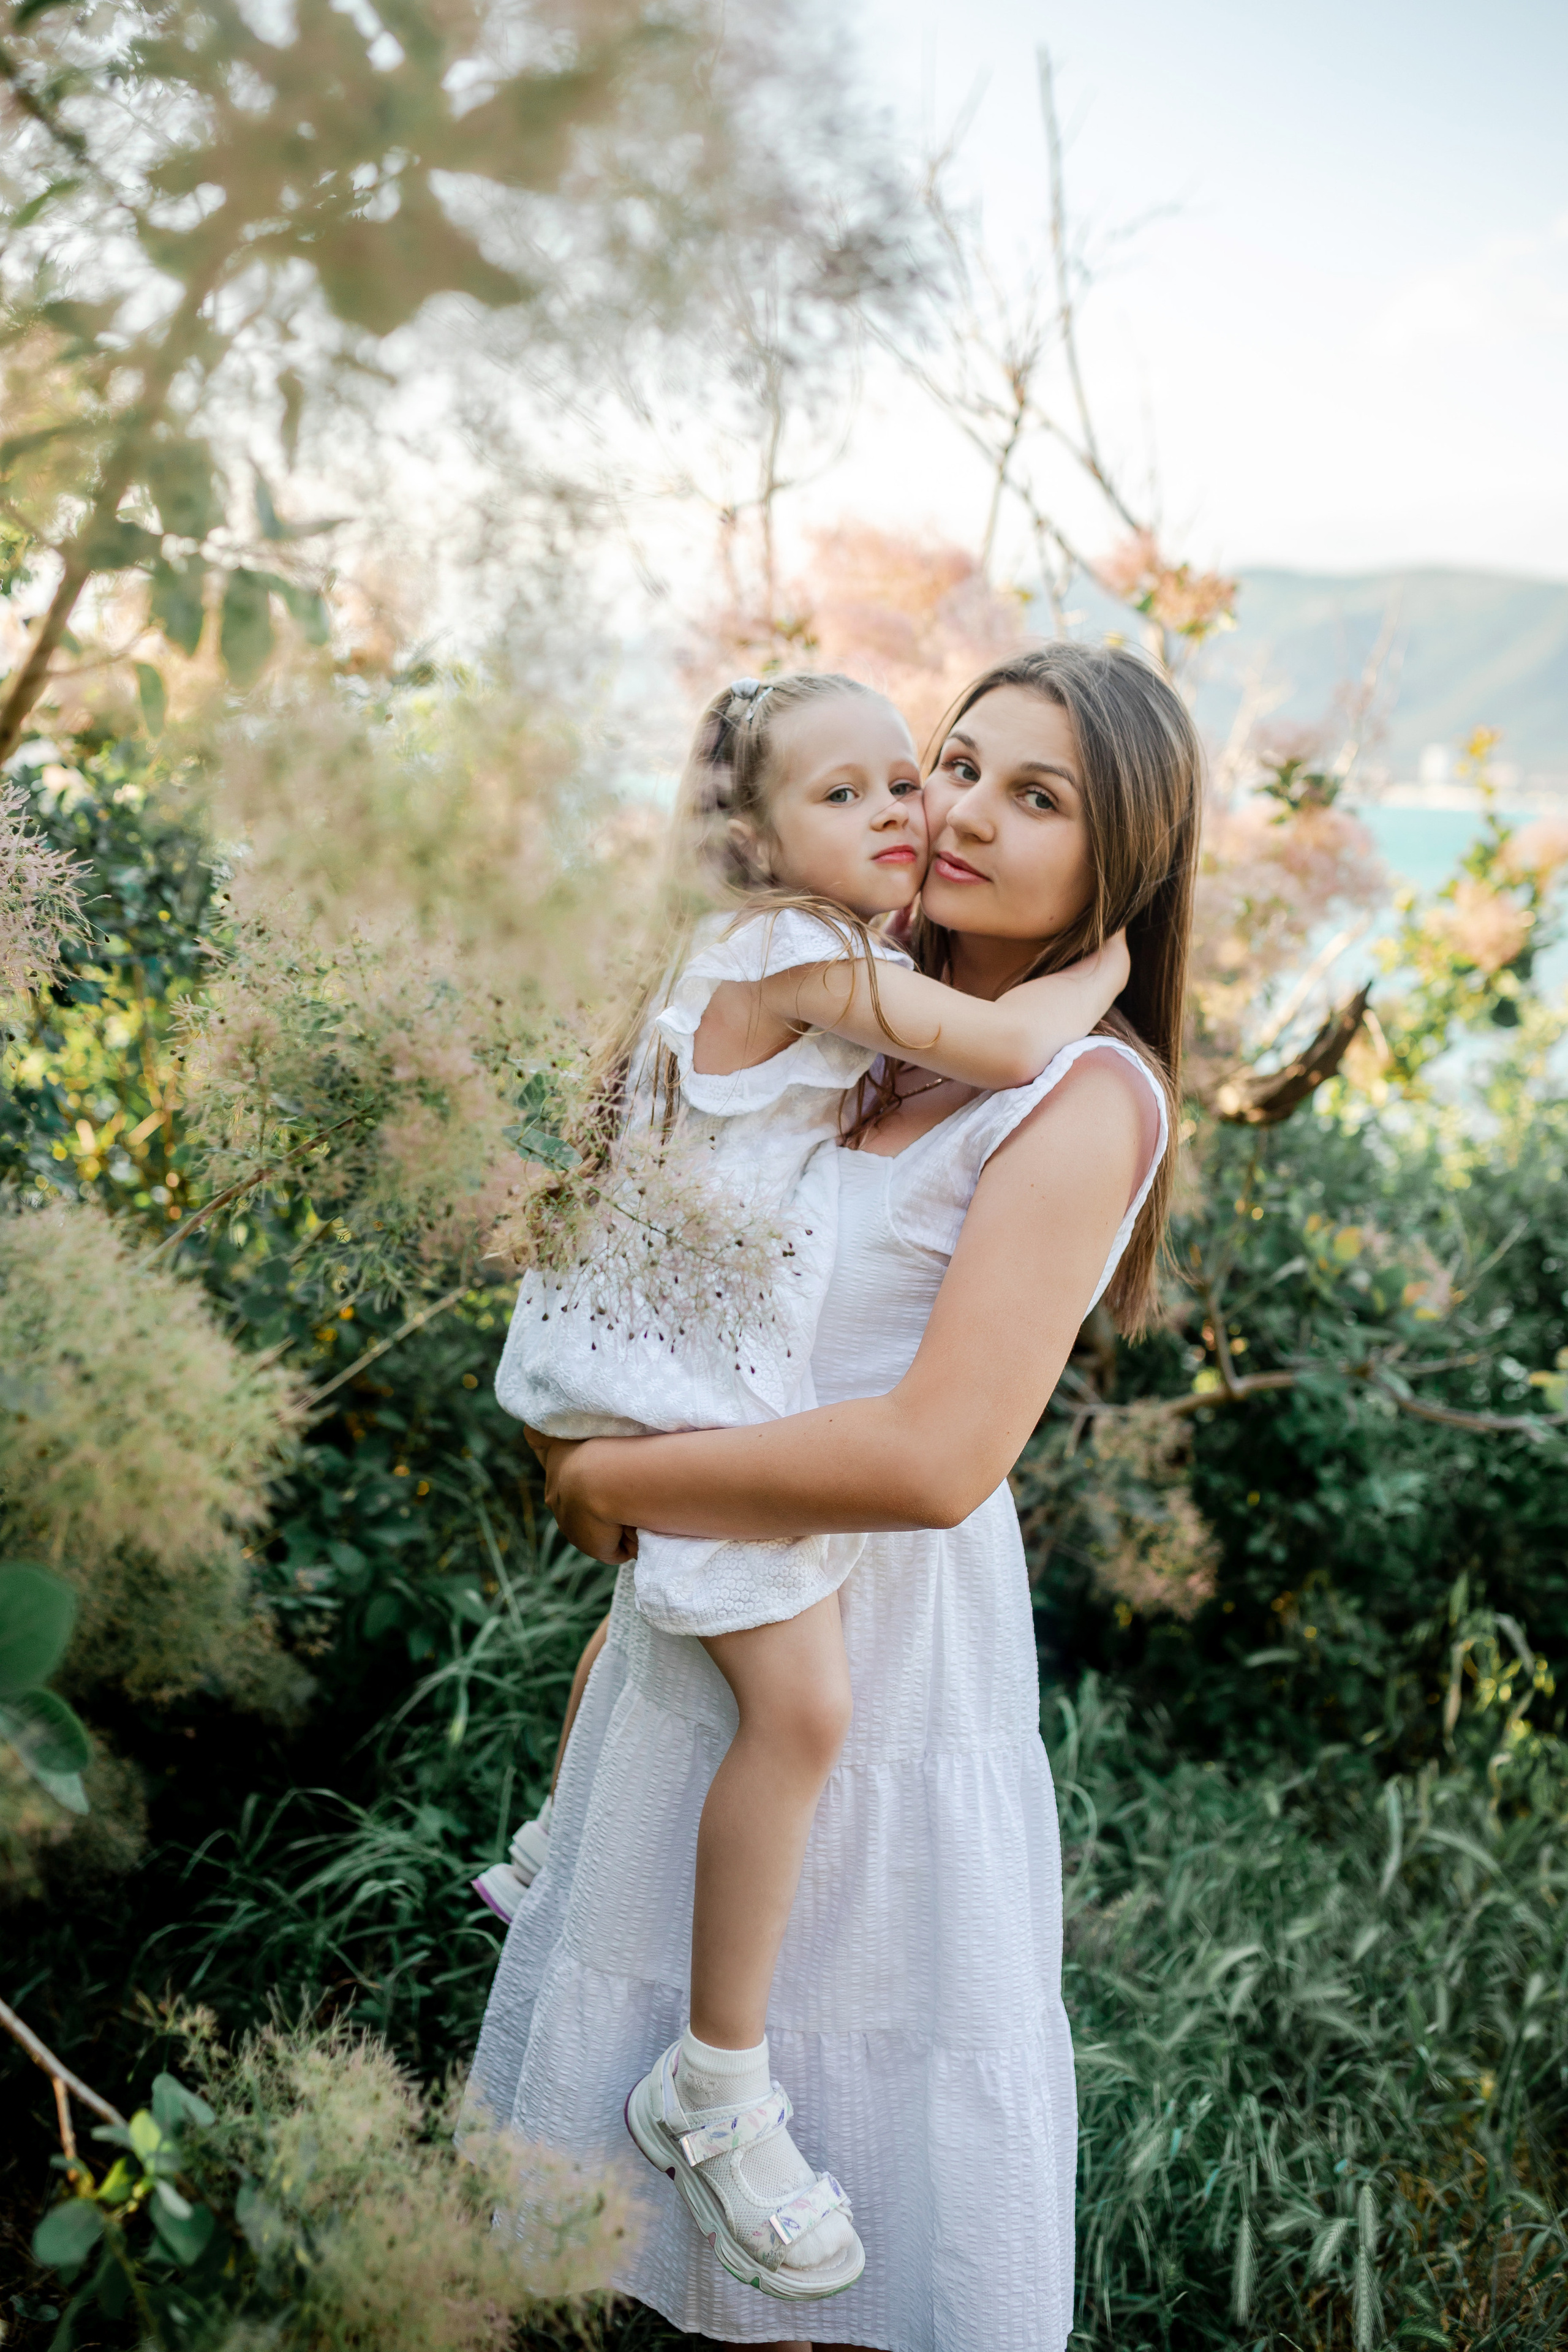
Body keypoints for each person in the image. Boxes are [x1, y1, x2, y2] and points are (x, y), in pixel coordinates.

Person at [468, 641, 1202, 2352]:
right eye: (955, 764)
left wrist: (619, 1480)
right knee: (654, 2262)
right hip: (707, 1626)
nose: (956, 812)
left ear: (1123, 862)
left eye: (1039, 798)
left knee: (825, 2206)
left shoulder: (1078, 1092)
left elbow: (939, 1461)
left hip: (871, 1669)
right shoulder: (844, 1001)